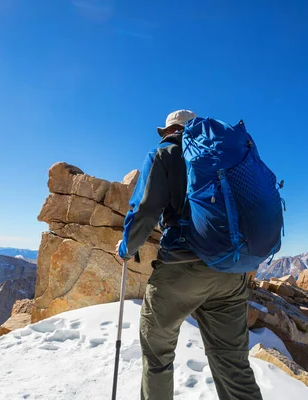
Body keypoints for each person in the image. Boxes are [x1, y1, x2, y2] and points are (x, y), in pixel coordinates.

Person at [116, 110, 263, 400]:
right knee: (233, 363)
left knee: (158, 356)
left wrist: (127, 248)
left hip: (182, 268)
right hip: (232, 272)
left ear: (169, 130)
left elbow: (145, 210)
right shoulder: (224, 155)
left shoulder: (164, 154)